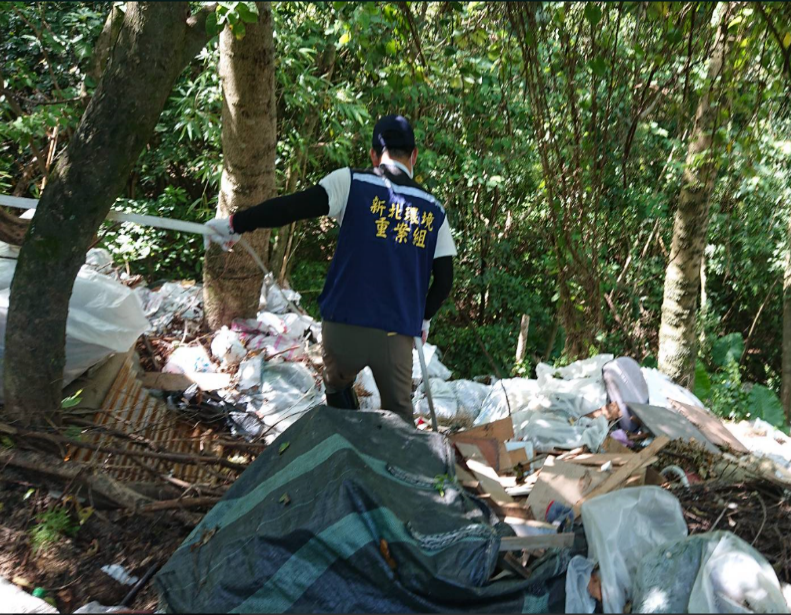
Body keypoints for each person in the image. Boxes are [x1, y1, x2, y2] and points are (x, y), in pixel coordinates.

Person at [204, 115, 456, 423]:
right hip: (396, 331)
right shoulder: (434, 209)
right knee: (399, 419)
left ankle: (344, 440)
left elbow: (291, 207)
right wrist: (423, 318)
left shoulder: (350, 182)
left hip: (342, 325)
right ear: (414, 156)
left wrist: (236, 224)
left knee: (337, 387)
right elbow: (444, 280)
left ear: (374, 155)